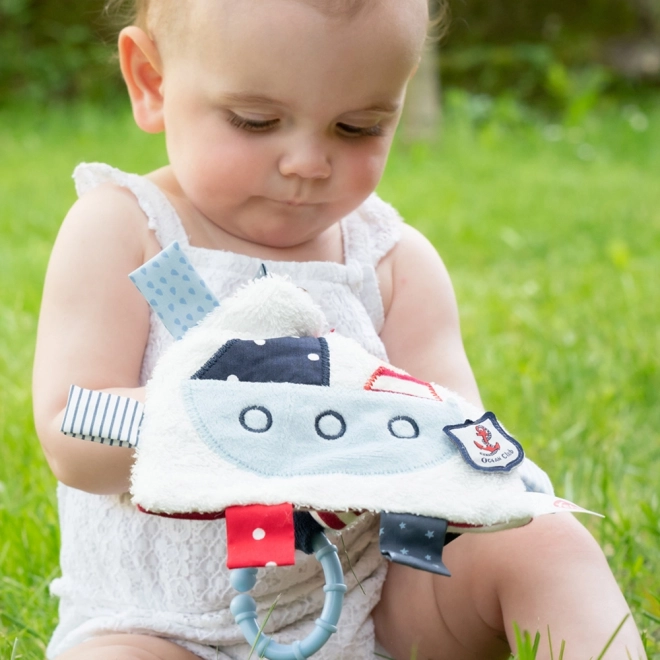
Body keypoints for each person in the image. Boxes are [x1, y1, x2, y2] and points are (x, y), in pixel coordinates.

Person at [32, 1, 646, 658]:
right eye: (256, 121)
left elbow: (448, 443)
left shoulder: (388, 263)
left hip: (372, 600)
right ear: (152, 82)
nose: (308, 163)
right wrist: (257, 423)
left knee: (544, 542)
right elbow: (74, 434)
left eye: (357, 127)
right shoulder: (131, 234)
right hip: (161, 623)